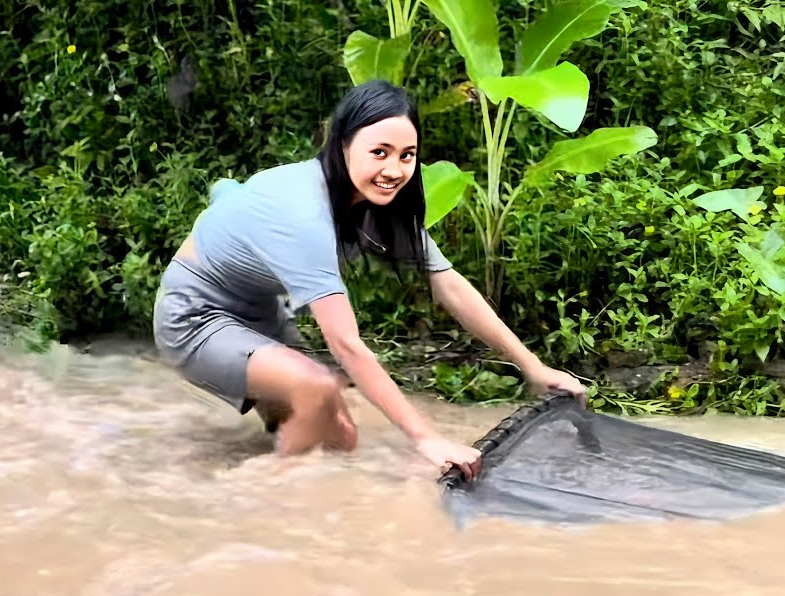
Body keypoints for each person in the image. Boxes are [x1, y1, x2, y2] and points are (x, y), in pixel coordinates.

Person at [152, 80, 586, 480]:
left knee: (343, 441)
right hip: (194, 317)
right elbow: (346, 346)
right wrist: (425, 438)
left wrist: (533, 366)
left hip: (262, 313)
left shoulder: (378, 205)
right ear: (342, 146)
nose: (395, 169)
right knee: (317, 387)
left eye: (407, 155)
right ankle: (242, 494)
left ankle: (285, 495)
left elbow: (449, 285)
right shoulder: (305, 215)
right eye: (379, 152)